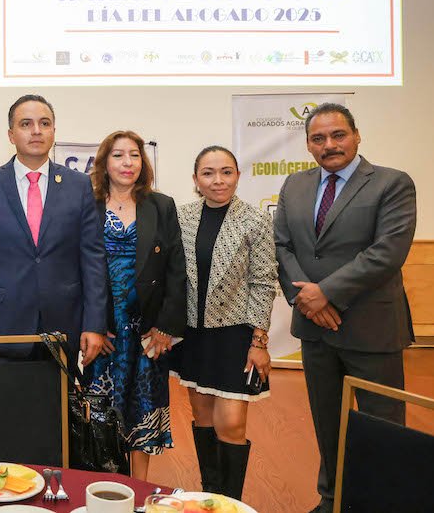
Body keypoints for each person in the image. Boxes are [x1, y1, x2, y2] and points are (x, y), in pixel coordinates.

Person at [273, 103, 416, 513]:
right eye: (318, 138)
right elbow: (282, 246)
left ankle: (383, 504)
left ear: (356, 136)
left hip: (372, 328)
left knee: (382, 428)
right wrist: (307, 300)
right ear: (308, 145)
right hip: (316, 330)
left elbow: (387, 252)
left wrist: (326, 294)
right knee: (328, 425)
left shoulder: (392, 183)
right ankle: (331, 500)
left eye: (338, 135)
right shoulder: (295, 185)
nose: (329, 145)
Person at [0, 94, 107, 365]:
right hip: (0, 328)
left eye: (44, 123)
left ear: (53, 132)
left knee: (57, 396)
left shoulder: (78, 186)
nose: (36, 131)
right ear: (11, 135)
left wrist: (95, 324)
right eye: (26, 124)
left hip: (63, 326)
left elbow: (93, 259)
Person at [171, 145, 277, 500]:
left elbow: (263, 281)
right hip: (193, 335)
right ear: (195, 179)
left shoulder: (255, 220)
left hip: (236, 336)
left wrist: (259, 342)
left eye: (226, 172)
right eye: (208, 173)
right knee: (202, 418)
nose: (218, 180)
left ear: (237, 176)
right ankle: (210, 496)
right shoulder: (182, 217)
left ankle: (231, 502)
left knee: (230, 423)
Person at [83, 130, 186, 481]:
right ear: (104, 162)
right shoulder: (88, 204)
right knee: (101, 414)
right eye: (118, 155)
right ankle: (103, 490)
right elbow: (75, 269)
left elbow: (176, 270)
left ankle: (138, 490)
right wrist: (92, 324)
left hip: (147, 332)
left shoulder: (161, 205)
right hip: (103, 332)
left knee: (143, 410)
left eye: (134, 155)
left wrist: (165, 328)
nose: (127, 162)